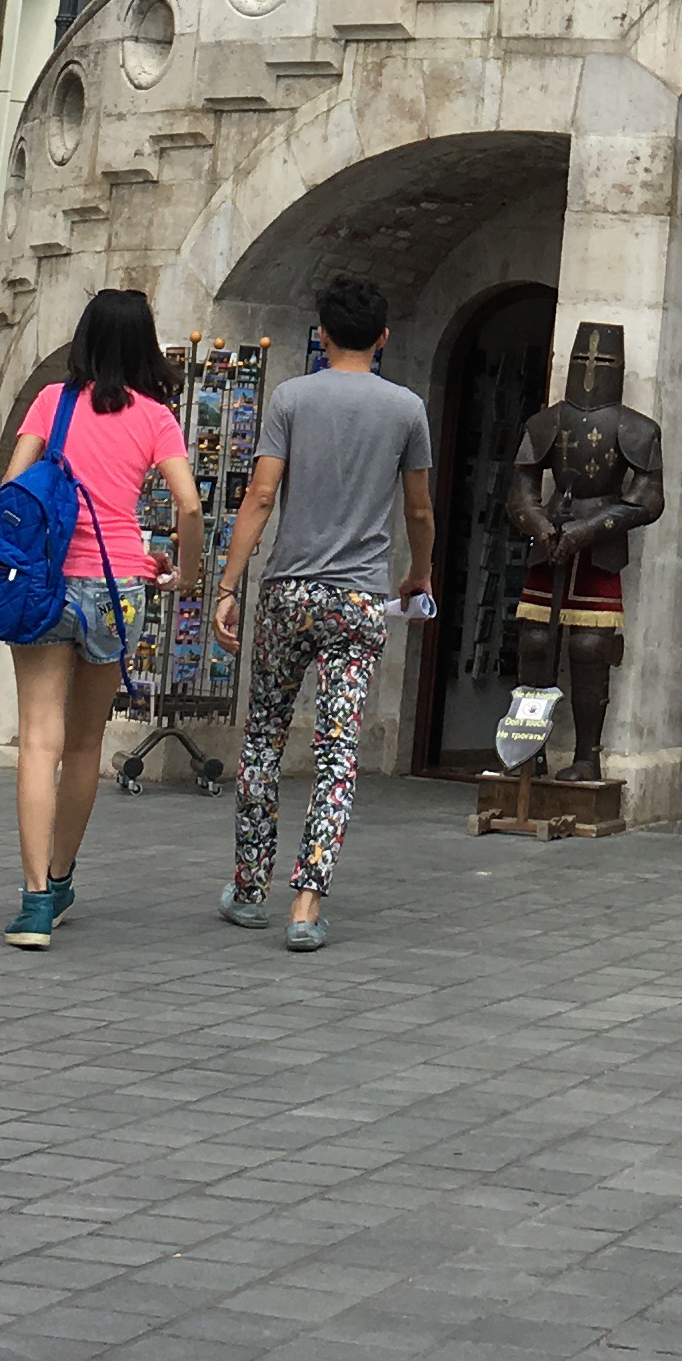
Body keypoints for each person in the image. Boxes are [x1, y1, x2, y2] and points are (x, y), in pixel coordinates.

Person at [210, 272, 433, 949]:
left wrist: (229, 583)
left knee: (263, 737)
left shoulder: (291, 398)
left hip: (289, 591)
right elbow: (419, 509)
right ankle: (306, 903)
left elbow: (260, 496)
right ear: (383, 337)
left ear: (324, 334)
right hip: (360, 597)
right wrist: (418, 573)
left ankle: (250, 887)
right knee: (338, 752)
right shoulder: (407, 410)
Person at [1, 290, 202, 948]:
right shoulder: (155, 417)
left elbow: (12, 487)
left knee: (39, 739)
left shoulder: (52, 402)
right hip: (118, 588)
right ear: (145, 344)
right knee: (86, 743)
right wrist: (186, 573)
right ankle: (61, 878)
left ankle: (34, 901)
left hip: (45, 580)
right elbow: (189, 506)